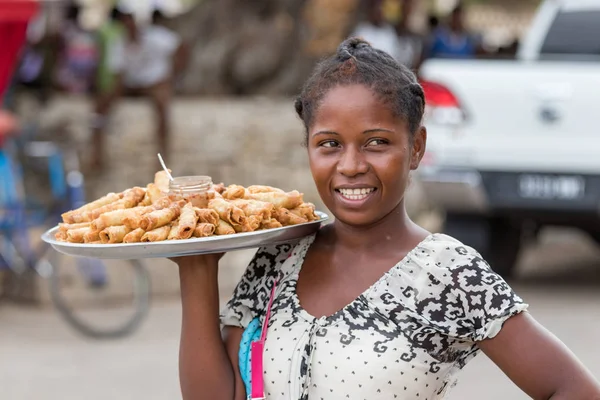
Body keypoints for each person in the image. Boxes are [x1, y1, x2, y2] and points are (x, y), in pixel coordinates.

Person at [172, 38, 600, 399]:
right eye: (329, 144)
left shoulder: (448, 273)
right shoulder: (280, 254)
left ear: (416, 147)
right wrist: (196, 266)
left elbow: (570, 388)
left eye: (376, 142)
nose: (352, 165)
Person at [91, 8, 188, 169]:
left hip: (154, 82)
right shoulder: (119, 42)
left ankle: (162, 155)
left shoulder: (156, 36)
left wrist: (172, 76)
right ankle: (97, 153)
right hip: (131, 84)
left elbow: (182, 47)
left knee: (161, 104)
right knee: (100, 106)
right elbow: (118, 72)